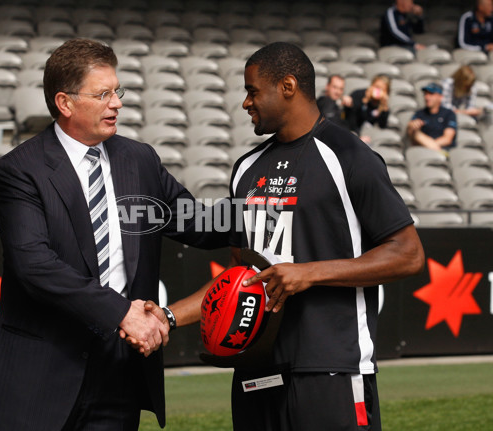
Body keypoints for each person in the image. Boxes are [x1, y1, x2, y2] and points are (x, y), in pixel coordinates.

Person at [137, 42, 425, 431]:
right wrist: (170, 317)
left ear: (287, 86)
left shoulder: (348, 156)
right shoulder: (247, 169)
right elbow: (241, 278)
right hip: (255, 368)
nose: (245, 103)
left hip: (330, 369)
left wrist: (309, 273)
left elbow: (408, 254)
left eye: (253, 91)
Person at [0, 38, 228, 431]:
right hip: (40, 375)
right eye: (103, 93)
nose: (117, 103)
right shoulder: (20, 170)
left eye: (117, 91)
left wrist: (271, 208)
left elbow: (197, 221)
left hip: (119, 372)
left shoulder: (139, 159)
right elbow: (34, 265)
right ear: (65, 103)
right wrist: (122, 312)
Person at [407, 82, 458, 152]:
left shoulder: (448, 114)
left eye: (431, 94)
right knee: (415, 133)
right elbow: (411, 133)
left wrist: (430, 146)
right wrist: (412, 125)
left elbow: (447, 139)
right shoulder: (420, 114)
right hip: (424, 152)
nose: (427, 97)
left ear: (440, 97)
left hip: (443, 151)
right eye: (425, 94)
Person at [346, 75, 391, 141]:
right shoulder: (358, 95)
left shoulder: (382, 105)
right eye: (377, 87)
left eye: (382, 89)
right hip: (351, 131)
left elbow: (382, 125)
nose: (378, 91)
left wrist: (384, 107)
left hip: (367, 135)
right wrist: (364, 101)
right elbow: (352, 117)